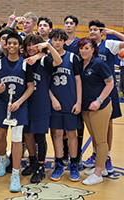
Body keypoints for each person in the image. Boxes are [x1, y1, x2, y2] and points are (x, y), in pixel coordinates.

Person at [0, 33, 34, 192]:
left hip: (19, 106)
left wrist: (19, 102)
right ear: (5, 45)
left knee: (16, 140)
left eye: (14, 43)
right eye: (8, 43)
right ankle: (3, 160)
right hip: (2, 105)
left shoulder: (25, 64)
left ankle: (15, 174)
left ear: (19, 46)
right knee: (1, 136)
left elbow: (30, 87)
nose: (11, 46)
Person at [83, 20, 123, 173]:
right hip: (92, 91)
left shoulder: (109, 45)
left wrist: (113, 32)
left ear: (102, 32)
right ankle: (96, 155)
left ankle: (107, 158)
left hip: (108, 90)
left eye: (96, 29)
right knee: (95, 127)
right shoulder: (87, 48)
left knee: (108, 125)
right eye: (91, 29)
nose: (93, 32)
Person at [21, 34, 62, 183]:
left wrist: (48, 47)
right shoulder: (24, 61)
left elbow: (59, 61)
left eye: (34, 44)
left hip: (41, 103)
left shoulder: (44, 60)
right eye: (28, 45)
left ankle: (40, 166)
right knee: (27, 135)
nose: (31, 48)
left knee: (39, 136)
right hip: (26, 103)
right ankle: (32, 161)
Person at [76, 37, 114, 185]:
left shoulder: (99, 63)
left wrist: (99, 100)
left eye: (87, 48)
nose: (84, 51)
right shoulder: (80, 64)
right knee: (95, 139)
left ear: (93, 49)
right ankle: (101, 166)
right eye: (81, 48)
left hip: (100, 107)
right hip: (86, 107)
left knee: (101, 140)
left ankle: (98, 173)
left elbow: (110, 83)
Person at [48, 29, 82, 182]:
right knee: (57, 135)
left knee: (72, 134)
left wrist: (79, 101)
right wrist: (53, 98)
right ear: (51, 41)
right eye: (54, 40)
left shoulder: (73, 57)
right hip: (55, 104)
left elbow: (78, 81)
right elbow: (45, 83)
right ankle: (59, 164)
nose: (57, 42)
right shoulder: (48, 59)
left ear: (64, 41)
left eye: (60, 40)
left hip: (70, 102)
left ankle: (74, 164)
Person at [63, 15, 84, 168]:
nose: (69, 25)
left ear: (76, 26)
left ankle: (78, 154)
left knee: (78, 123)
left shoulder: (80, 43)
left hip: (78, 83)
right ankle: (64, 153)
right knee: (63, 126)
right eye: (67, 23)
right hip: (63, 86)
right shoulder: (59, 43)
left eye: (71, 23)